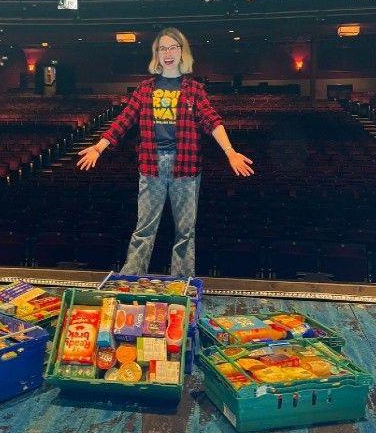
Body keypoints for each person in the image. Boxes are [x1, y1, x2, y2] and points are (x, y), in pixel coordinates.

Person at [76, 27, 254, 278]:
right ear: (156, 54)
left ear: (182, 52)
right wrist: (98, 146)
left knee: (185, 231)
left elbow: (212, 121)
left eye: (173, 47)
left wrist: (230, 151)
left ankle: (182, 283)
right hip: (151, 165)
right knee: (144, 229)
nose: (168, 53)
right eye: (162, 48)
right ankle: (130, 279)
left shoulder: (194, 89)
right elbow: (124, 120)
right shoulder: (144, 88)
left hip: (186, 168)